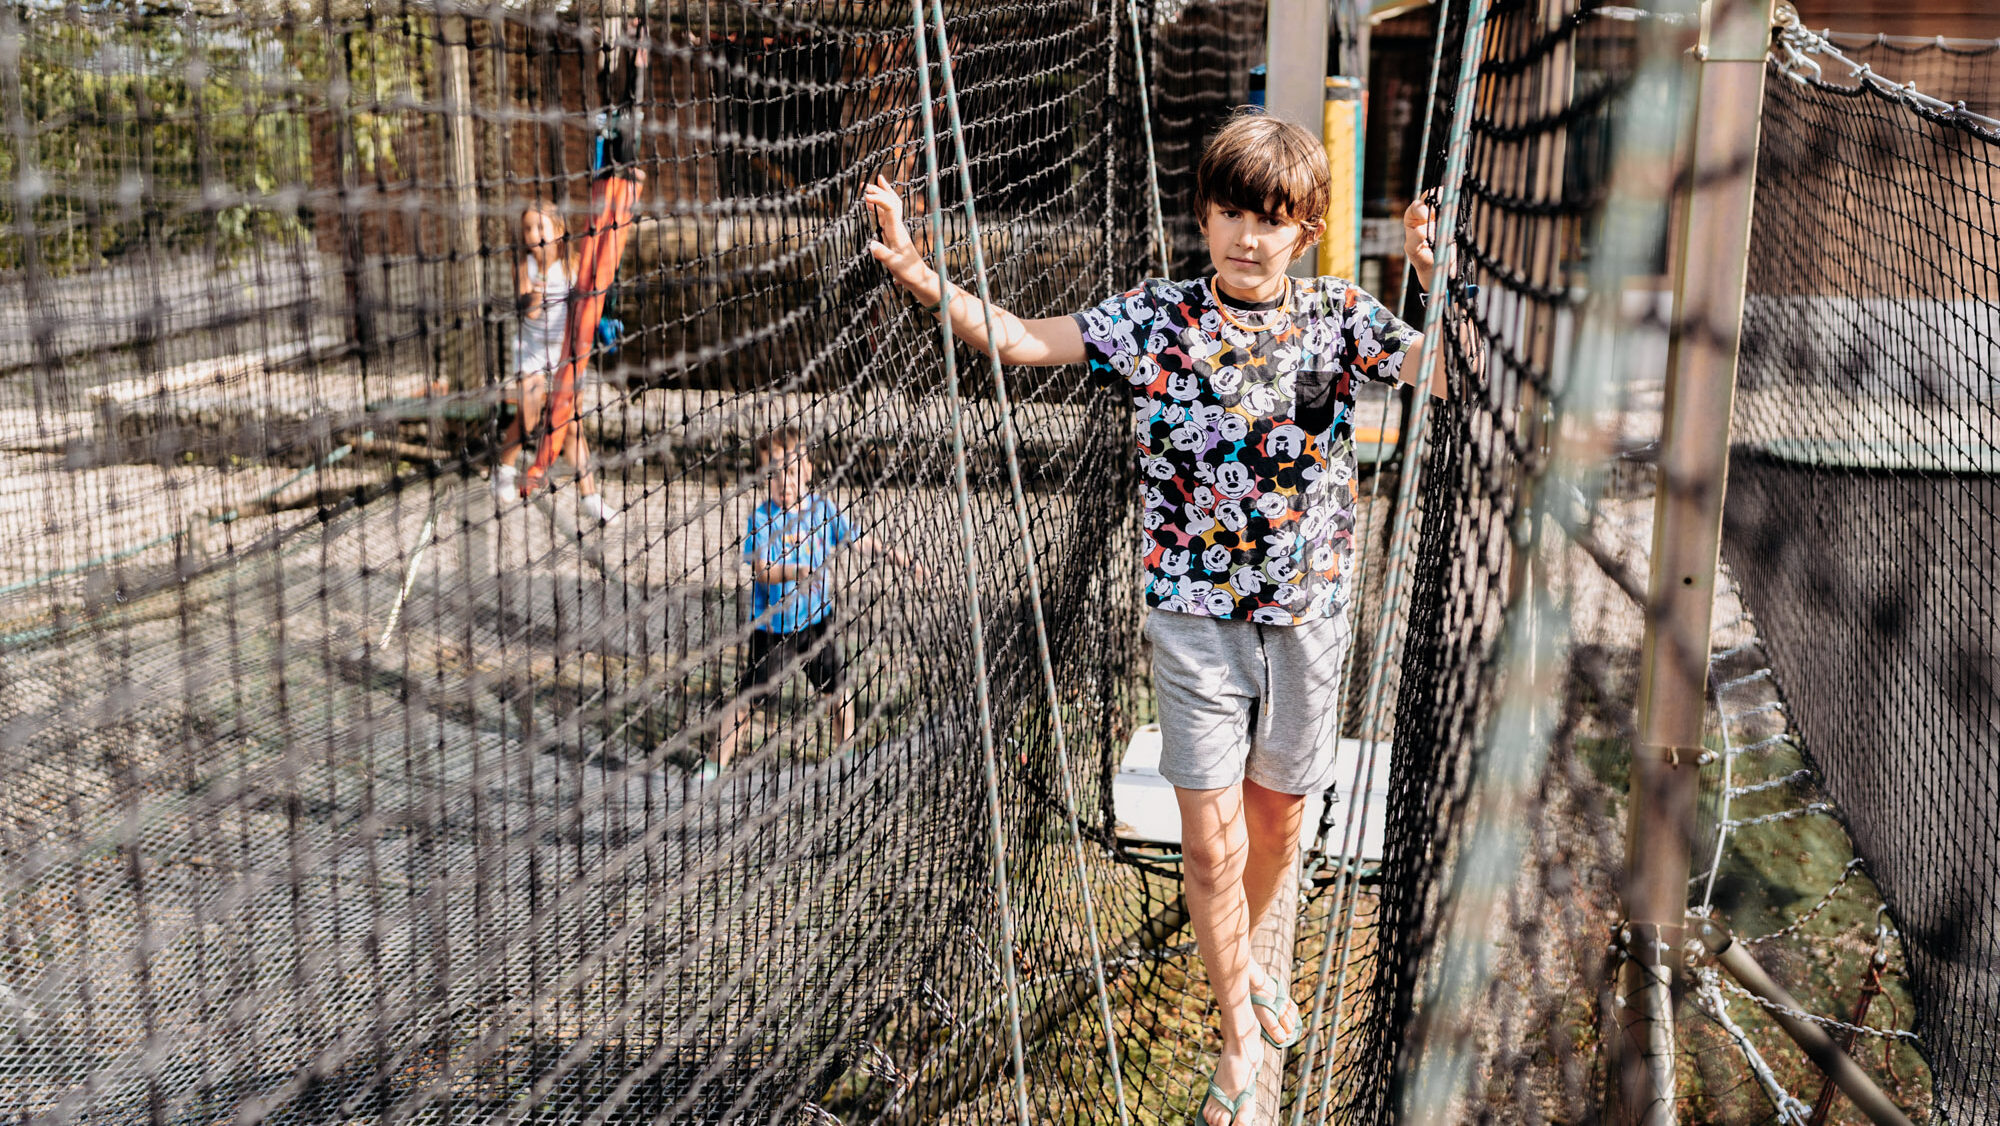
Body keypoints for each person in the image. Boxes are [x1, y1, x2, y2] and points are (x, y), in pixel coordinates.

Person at [864, 109, 1445, 1125]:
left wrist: (1439, 281)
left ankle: (1242, 959)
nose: (1245, 235)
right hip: (1191, 618)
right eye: (1228, 211)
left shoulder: (1341, 318)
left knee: (1276, 824)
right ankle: (1234, 1037)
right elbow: (1018, 340)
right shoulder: (1156, 319)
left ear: (1302, 227)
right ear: (1204, 215)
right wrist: (919, 269)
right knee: (1211, 843)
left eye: (1269, 218)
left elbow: (1447, 370)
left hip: (1307, 615)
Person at [716, 426, 921, 779]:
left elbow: (861, 541)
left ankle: (848, 760)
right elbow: (763, 572)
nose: (784, 482)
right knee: (746, 702)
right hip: (772, 629)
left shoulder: (822, 510)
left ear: (809, 469)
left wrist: (902, 558)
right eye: (773, 475)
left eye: (792, 471)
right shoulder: (761, 520)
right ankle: (714, 767)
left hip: (816, 624)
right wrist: (795, 570)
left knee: (839, 694)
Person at [491, 201, 615, 526]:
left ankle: (590, 498)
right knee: (529, 417)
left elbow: (589, 300)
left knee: (573, 426)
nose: (533, 235)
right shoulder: (525, 266)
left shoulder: (572, 265)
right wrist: (535, 295)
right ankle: (503, 470)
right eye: (528, 229)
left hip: (563, 357)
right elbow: (529, 312)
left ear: (559, 232)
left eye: (540, 227)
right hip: (531, 354)